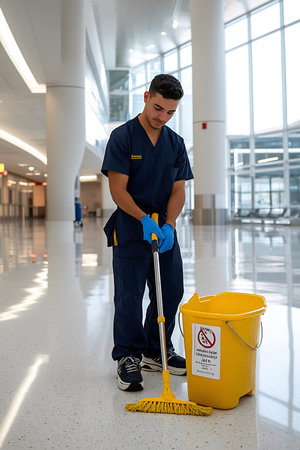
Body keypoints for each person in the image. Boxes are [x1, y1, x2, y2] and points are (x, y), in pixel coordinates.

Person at [101, 74, 193, 391]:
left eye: (170, 112)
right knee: (129, 295)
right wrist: (143, 219)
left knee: (171, 290)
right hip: (130, 226)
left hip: (164, 228)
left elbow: (178, 191)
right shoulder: (123, 137)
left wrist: (169, 224)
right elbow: (117, 190)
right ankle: (127, 355)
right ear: (145, 97)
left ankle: (156, 349)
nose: (162, 117)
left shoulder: (175, 143)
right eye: (158, 108)